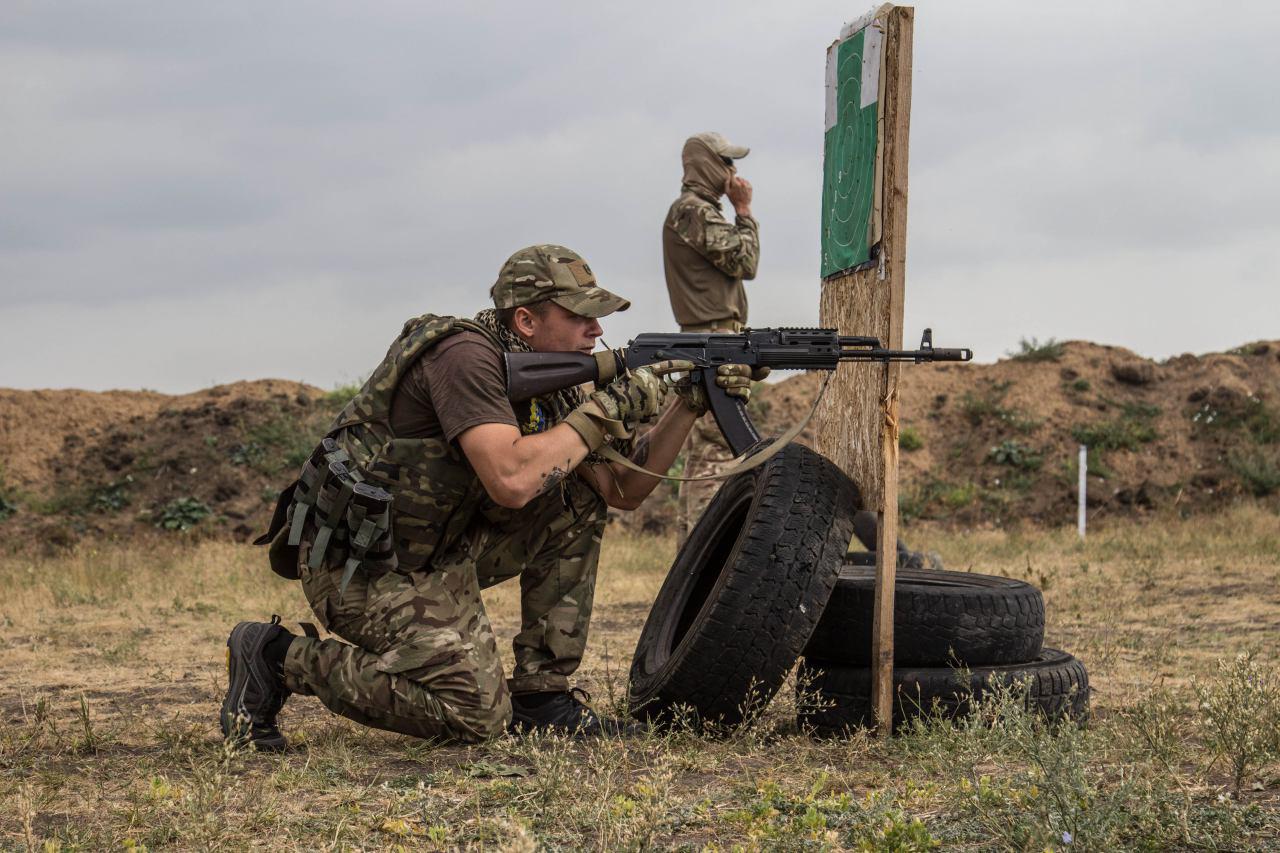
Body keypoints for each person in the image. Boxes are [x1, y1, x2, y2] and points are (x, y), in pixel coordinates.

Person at [220, 245, 758, 749]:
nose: (597, 330)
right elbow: (512, 480)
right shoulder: (462, 357)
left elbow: (621, 490)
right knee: (475, 715)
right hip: (362, 566)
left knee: (576, 499)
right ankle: (276, 657)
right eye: (579, 317)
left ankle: (542, 695)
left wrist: (688, 402)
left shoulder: (564, 380)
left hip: (440, 549)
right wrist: (607, 408)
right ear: (525, 320)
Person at [662, 132, 763, 544]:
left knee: (707, 453)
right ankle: (705, 553)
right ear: (706, 164)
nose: (734, 172)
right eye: (726, 163)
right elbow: (745, 260)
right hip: (711, 338)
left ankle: (693, 552)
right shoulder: (693, 211)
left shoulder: (695, 211)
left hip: (714, 335)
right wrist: (744, 210)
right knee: (720, 452)